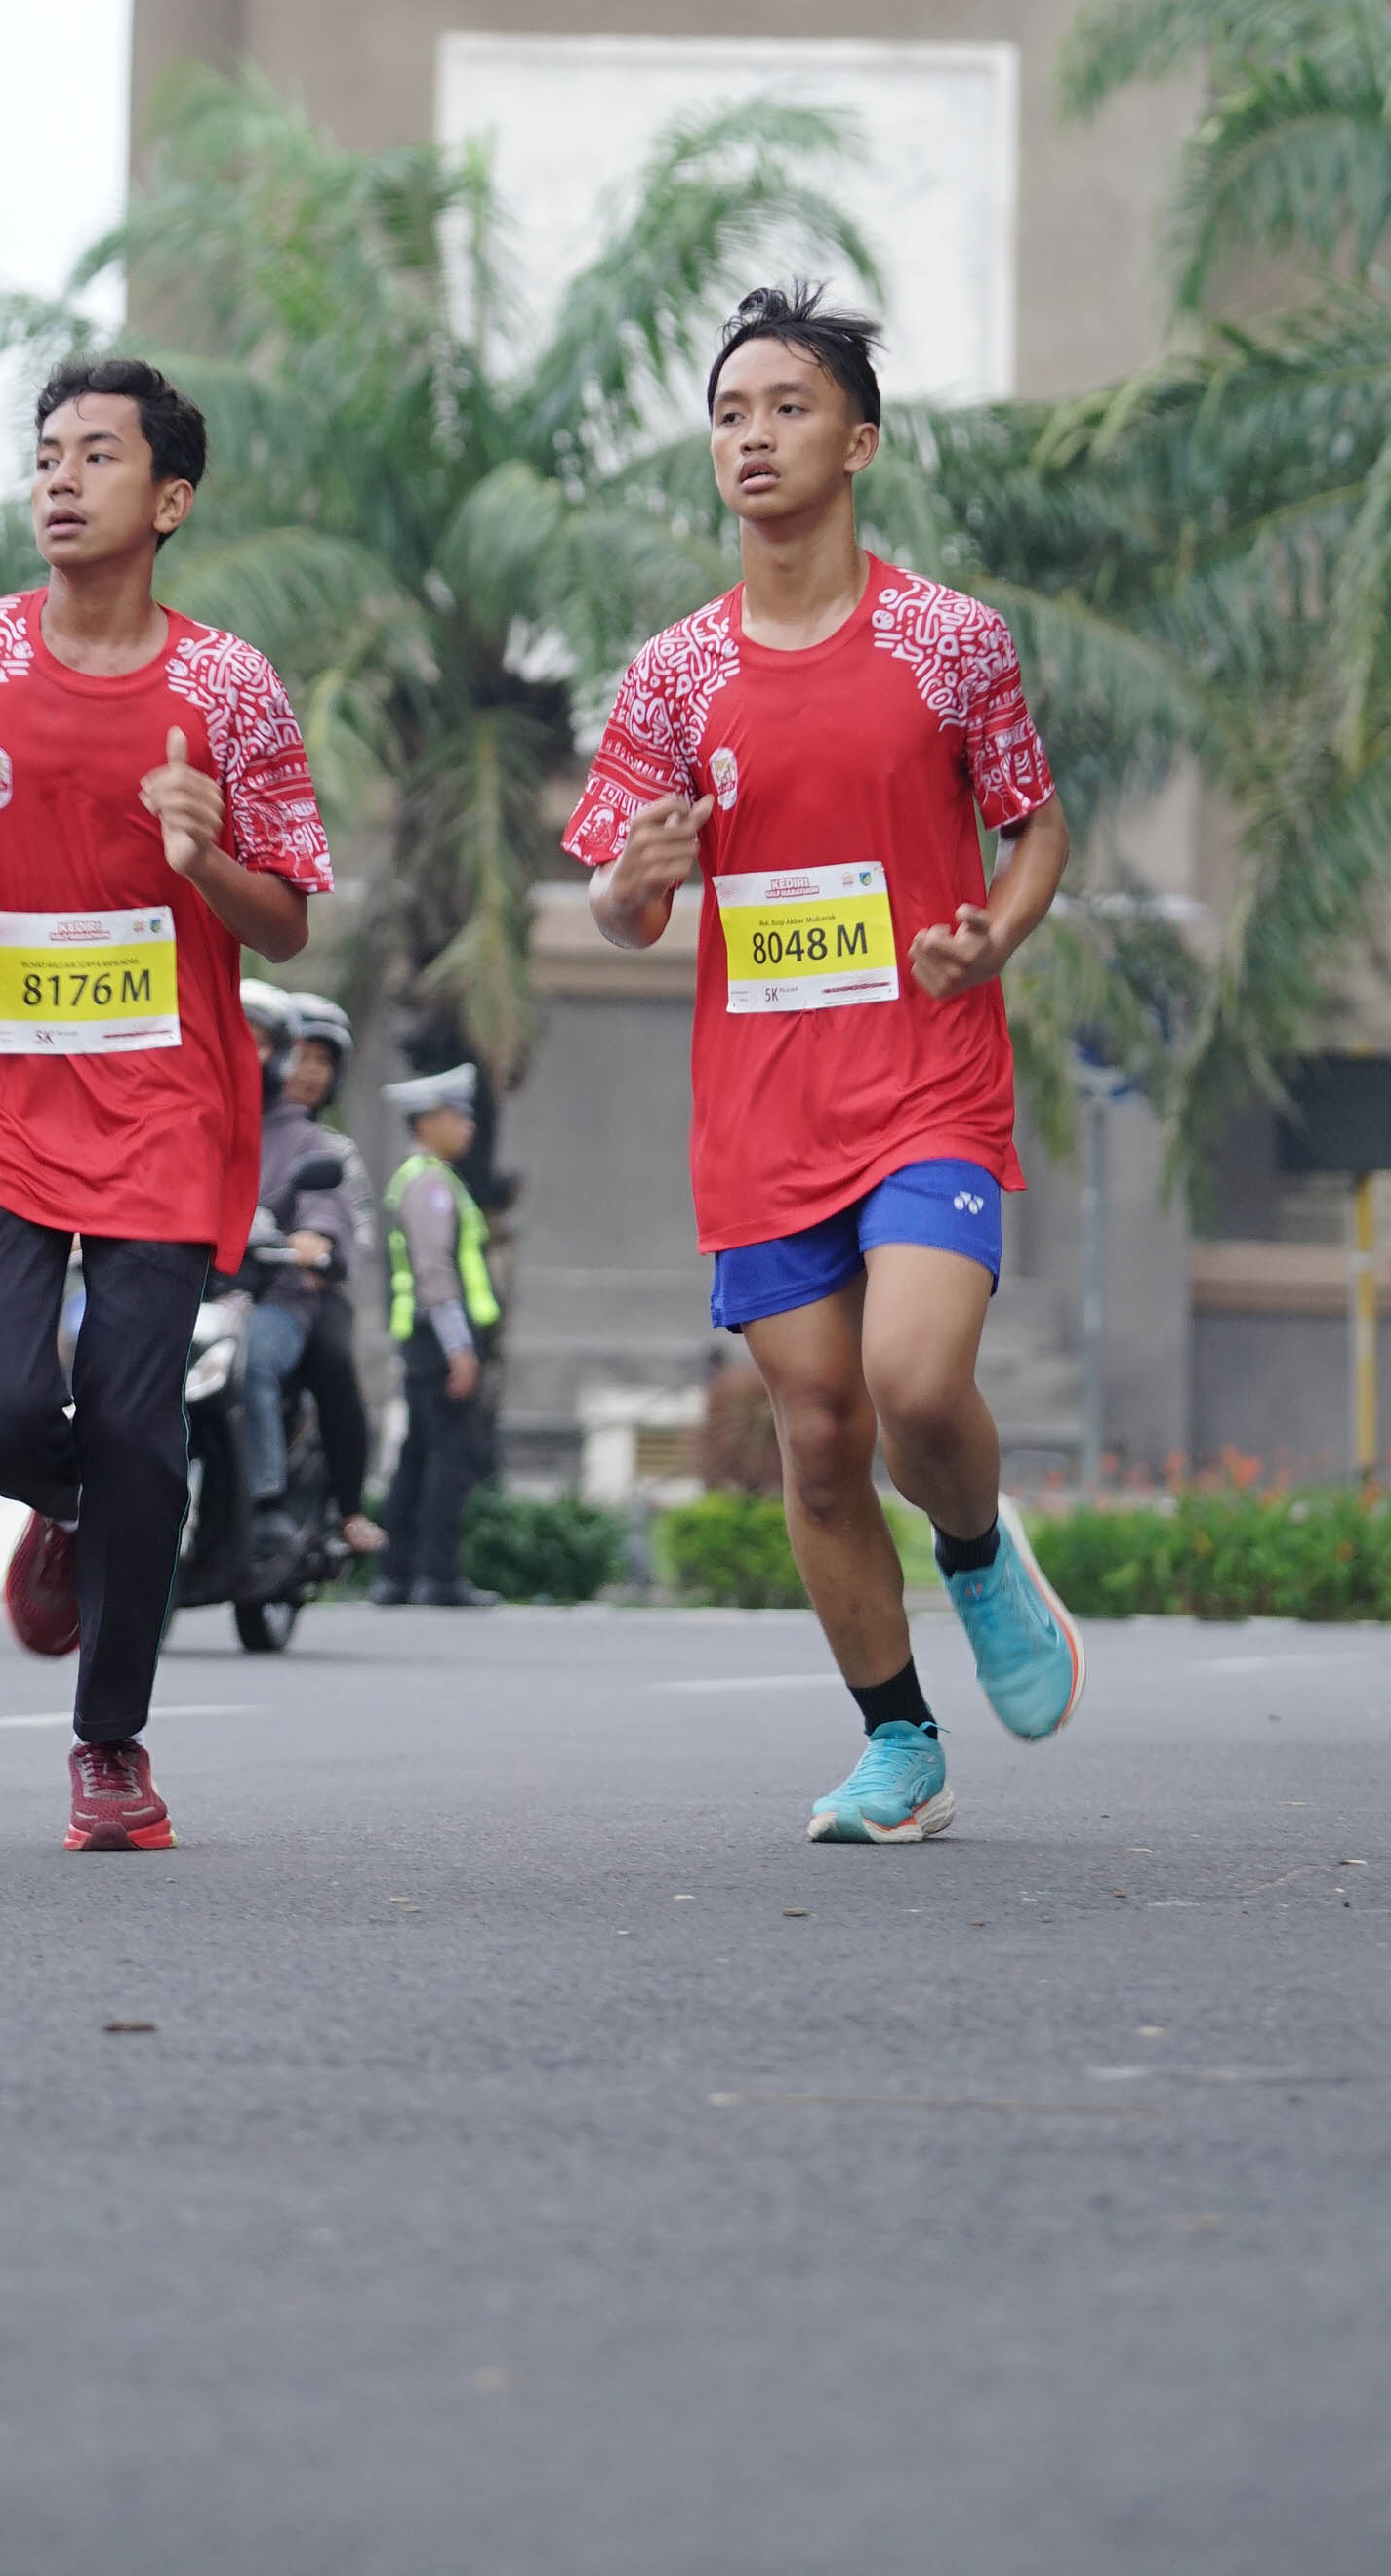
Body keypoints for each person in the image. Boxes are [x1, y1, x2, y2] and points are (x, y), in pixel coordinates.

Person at [565, 281, 1081, 1845]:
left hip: (927, 1077)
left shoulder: (950, 642)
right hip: (763, 1109)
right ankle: (899, 1745)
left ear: (858, 441)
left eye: (788, 407)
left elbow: (1035, 824)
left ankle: (979, 1555)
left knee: (914, 1384)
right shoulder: (673, 674)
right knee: (820, 1432)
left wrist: (993, 936)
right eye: (731, 412)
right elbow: (622, 908)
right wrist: (637, 878)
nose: (755, 436)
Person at [0, 353, 331, 1851]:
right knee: (9, 1420)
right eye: (47, 455)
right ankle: (86, 1510)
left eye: (98, 456)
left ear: (170, 499)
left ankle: (110, 1745)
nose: (61, 479)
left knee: (140, 1427)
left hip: (163, 1107)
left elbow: (287, 924)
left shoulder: (232, 687)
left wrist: (204, 859)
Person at [241, 990, 385, 1559]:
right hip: (224, 1289)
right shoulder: (217, 1124)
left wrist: (318, 1245)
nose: (308, 1072)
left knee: (331, 1362)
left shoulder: (327, 1148)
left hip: (303, 1286)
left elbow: (349, 1225)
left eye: (322, 1061)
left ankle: (346, 1508)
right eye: (299, 1056)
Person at [376, 1063, 502, 1608]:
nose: (468, 1125)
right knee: (448, 1457)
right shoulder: (430, 1184)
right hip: (439, 1341)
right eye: (457, 1115)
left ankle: (397, 1575)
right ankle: (437, 1575)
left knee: (417, 1454)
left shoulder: (422, 1178)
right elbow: (434, 1272)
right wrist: (460, 1349)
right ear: (428, 1122)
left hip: (423, 1340)